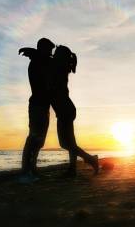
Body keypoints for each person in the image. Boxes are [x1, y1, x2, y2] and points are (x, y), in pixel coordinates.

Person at [51, 45, 99, 177]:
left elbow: (49, 61)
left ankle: (91, 160)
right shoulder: (63, 66)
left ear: (60, 56)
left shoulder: (58, 67)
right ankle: (72, 170)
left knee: (64, 143)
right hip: (66, 109)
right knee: (71, 143)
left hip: (64, 110)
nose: (53, 55)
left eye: (55, 53)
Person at [18, 37, 55, 180]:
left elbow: (51, 62)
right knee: (34, 137)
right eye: (49, 50)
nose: (51, 53)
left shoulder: (41, 60)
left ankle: (31, 168)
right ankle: (26, 170)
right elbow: (46, 61)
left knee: (39, 140)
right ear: (43, 49)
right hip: (37, 105)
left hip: (43, 106)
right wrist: (34, 53)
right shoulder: (37, 62)